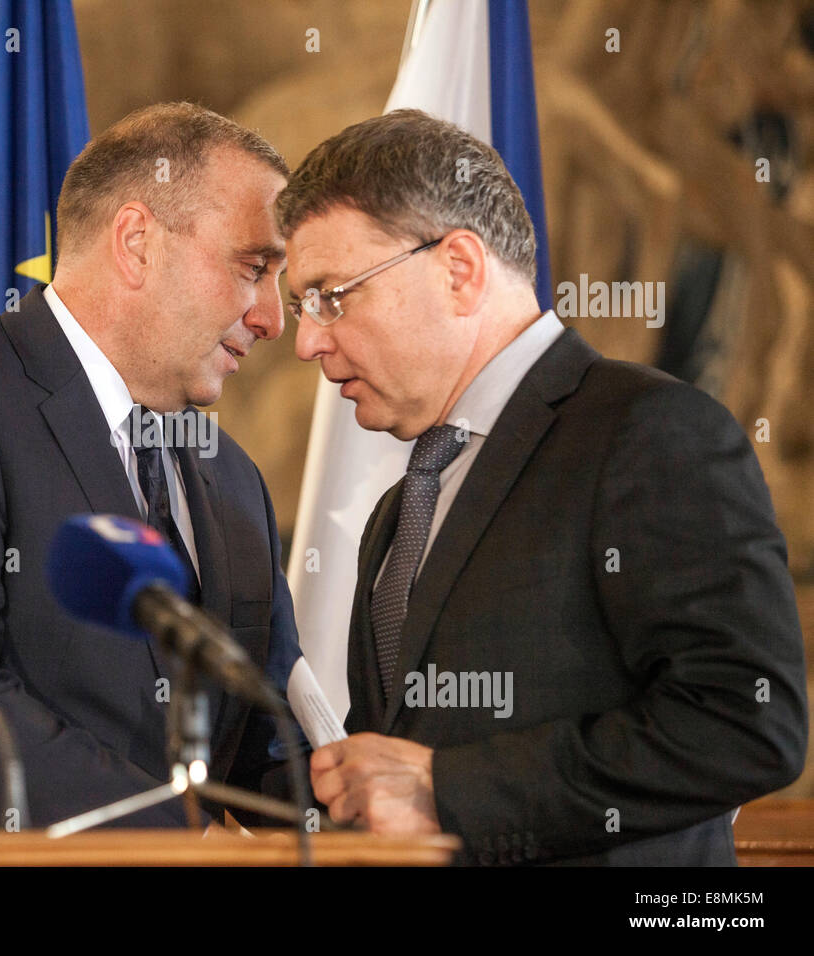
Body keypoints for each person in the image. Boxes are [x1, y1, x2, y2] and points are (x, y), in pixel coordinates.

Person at [278, 109, 808, 865]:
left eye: (331, 294)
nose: (307, 340)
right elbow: (403, 772)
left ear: (458, 269)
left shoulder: (648, 434)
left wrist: (452, 788)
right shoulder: (402, 509)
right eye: (302, 306)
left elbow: (747, 722)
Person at [0, 103, 305, 833]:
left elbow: (263, 739)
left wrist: (359, 808)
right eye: (254, 268)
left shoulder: (231, 477)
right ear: (137, 243)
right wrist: (178, 841)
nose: (272, 319)